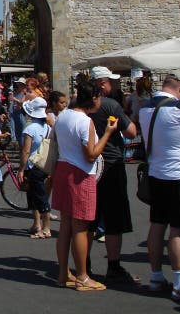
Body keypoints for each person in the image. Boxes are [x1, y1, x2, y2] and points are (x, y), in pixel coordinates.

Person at [52, 81, 117, 291]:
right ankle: (82, 275)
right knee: (80, 228)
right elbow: (90, 155)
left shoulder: (63, 116)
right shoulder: (84, 121)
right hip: (79, 174)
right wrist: (107, 133)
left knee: (65, 226)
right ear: (94, 98)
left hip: (63, 169)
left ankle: (63, 273)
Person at [137, 71, 180, 297]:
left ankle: (156, 276)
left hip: (156, 172)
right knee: (178, 228)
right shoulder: (179, 110)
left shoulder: (146, 108)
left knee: (157, 225)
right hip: (179, 174)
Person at [88, 66, 138, 284]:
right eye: (110, 81)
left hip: (88, 166)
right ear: (102, 84)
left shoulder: (79, 106)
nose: (114, 85)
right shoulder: (110, 105)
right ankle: (113, 265)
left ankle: (84, 263)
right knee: (114, 217)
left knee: (89, 218)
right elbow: (131, 132)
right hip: (111, 163)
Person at [17, 97, 52, 238]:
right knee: (34, 195)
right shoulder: (47, 127)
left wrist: (21, 168)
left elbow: (26, 150)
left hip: (32, 165)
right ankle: (36, 224)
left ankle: (46, 227)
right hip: (43, 164)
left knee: (38, 196)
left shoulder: (29, 128)